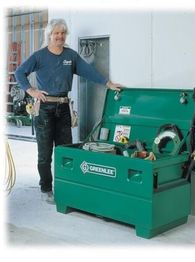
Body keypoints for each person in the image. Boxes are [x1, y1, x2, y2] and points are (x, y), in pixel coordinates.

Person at [15, 18, 122, 204]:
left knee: (65, 150)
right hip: (44, 109)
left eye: (63, 33)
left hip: (64, 108)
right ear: (50, 35)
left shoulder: (70, 56)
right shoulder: (39, 56)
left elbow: (89, 71)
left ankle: (65, 186)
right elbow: (19, 72)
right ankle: (46, 188)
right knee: (45, 153)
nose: (60, 36)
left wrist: (108, 83)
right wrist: (31, 90)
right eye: (56, 33)